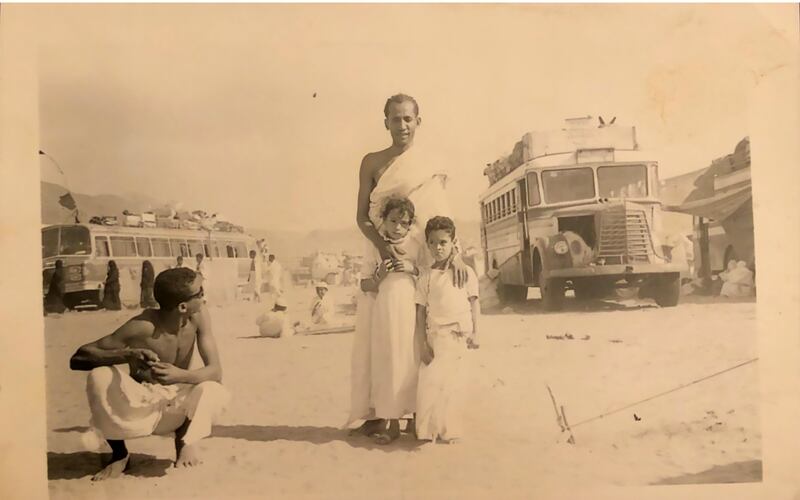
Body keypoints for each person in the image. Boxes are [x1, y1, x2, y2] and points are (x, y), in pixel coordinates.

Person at [347, 93, 469, 438]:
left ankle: (419, 411)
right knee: (380, 335)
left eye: (408, 119)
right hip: (380, 253)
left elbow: (440, 217)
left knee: (416, 335)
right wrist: (385, 250)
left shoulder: (427, 163)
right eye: (395, 119)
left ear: (418, 121)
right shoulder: (371, 162)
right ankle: (379, 412)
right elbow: (361, 217)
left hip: (419, 259)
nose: (402, 125)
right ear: (385, 122)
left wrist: (454, 254)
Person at [69, 268, 228, 480]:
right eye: (200, 293)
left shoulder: (199, 316)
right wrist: (127, 355)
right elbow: (78, 358)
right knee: (99, 375)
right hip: (142, 405)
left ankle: (184, 442)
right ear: (182, 306)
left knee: (212, 389)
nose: (203, 296)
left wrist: (179, 375)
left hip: (177, 403)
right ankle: (119, 455)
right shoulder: (142, 326)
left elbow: (216, 371)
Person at [357, 197, 426, 444]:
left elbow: (429, 275)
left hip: (410, 308)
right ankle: (393, 423)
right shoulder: (375, 246)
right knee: (389, 363)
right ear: (383, 221)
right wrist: (379, 276)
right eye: (393, 221)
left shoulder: (418, 244)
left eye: (403, 223)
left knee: (412, 360)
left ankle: (418, 420)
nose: (398, 227)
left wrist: (411, 268)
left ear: (410, 225)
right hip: (385, 310)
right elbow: (364, 283)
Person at [414, 216, 480, 444]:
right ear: (427, 244)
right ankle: (427, 431)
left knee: (454, 386)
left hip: (458, 336)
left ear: (453, 242)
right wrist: (422, 344)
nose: (438, 247)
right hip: (435, 337)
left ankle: (450, 430)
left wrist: (476, 332)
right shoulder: (426, 277)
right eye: (433, 243)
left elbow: (473, 303)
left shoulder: (465, 273)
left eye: (443, 242)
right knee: (431, 384)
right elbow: (420, 313)